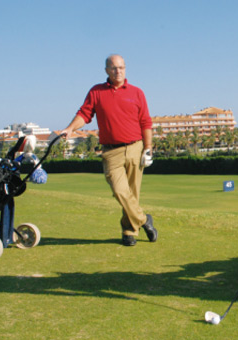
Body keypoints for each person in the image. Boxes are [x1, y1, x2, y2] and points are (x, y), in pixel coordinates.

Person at [61, 54, 157, 247]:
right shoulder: (97, 92)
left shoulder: (137, 92)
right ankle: (145, 220)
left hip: (135, 148)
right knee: (120, 191)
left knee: (132, 193)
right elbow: (84, 114)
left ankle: (129, 231)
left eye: (121, 67)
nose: (118, 71)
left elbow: (146, 122)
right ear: (106, 70)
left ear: (125, 68)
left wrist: (148, 148)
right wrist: (71, 128)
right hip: (111, 151)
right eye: (114, 68)